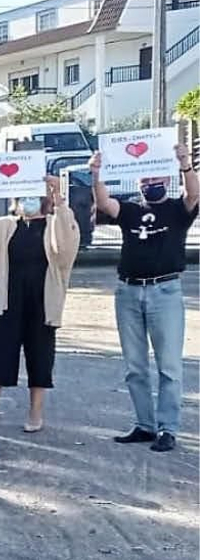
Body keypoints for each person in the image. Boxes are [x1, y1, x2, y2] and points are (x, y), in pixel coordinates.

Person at [91, 145, 198, 453]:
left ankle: (168, 428)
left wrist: (185, 165)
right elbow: (104, 202)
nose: (150, 184)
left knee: (168, 366)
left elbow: (193, 195)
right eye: (145, 180)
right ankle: (144, 424)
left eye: (155, 179)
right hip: (128, 292)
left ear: (165, 179)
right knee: (135, 366)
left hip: (165, 292)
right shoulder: (131, 211)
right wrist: (96, 172)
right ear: (138, 183)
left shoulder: (178, 211)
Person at [0, 175, 79, 432]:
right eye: (24, 197)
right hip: (8, 301)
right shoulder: (6, 225)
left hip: (43, 302)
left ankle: (35, 412)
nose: (28, 202)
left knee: (40, 356)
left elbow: (67, 246)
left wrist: (60, 200)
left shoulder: (52, 223)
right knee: (1, 355)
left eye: (34, 196)